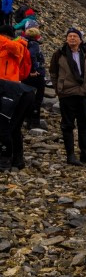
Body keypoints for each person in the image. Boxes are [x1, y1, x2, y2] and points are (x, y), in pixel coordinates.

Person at [49, 27, 86, 166]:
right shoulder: (59, 54)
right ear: (66, 39)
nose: (72, 38)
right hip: (67, 94)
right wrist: (59, 89)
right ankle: (70, 156)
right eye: (70, 36)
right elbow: (53, 73)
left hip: (83, 92)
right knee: (67, 125)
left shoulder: (85, 53)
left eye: (75, 36)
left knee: (84, 124)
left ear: (80, 39)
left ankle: (85, 153)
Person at [0, 24, 35, 171]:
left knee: (6, 126)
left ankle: (5, 160)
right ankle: (18, 160)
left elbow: (16, 50)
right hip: (11, 88)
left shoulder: (17, 46)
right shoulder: (9, 46)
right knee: (14, 127)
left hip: (11, 90)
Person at [22, 27, 46, 130]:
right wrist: (33, 69)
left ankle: (26, 119)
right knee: (38, 98)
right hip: (36, 75)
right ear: (37, 36)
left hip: (25, 74)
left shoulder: (24, 42)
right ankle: (35, 121)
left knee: (27, 97)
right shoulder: (34, 44)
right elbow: (32, 55)